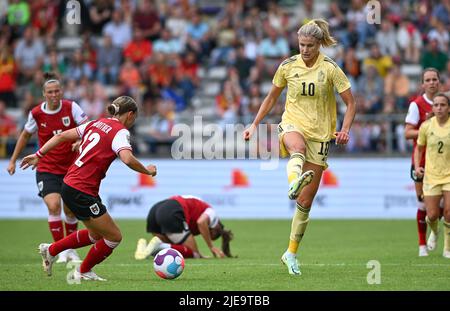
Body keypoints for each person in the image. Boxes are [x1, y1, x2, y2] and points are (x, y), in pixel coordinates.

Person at [243, 19, 356, 275]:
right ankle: (294, 181)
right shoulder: (287, 66)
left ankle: (291, 253)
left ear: (319, 45)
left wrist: (345, 130)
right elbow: (272, 97)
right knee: (297, 147)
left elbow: (351, 103)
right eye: (301, 44)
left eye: (309, 45)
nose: (304, 49)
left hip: (321, 134)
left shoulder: (330, 69)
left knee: (306, 202)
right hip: (292, 123)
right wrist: (254, 124)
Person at [20, 96, 157, 281]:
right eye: (135, 117)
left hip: (70, 184)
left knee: (95, 234)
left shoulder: (96, 122)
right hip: (81, 189)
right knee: (114, 237)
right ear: (130, 114)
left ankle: (51, 250)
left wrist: (39, 154)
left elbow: (61, 136)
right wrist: (147, 171)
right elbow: (127, 158)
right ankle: (83, 271)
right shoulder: (120, 132)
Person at [7, 72, 88, 263]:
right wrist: (12, 160)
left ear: (61, 92)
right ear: (44, 94)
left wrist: (79, 140)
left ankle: (70, 250)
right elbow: (25, 135)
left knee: (69, 211)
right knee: (53, 206)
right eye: (50, 92)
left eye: (57, 91)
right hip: (47, 168)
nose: (54, 94)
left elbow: (88, 127)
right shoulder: (36, 113)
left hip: (71, 169)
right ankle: (59, 250)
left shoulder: (72, 107)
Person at [404, 68, 441, 257]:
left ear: (439, 82)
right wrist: (428, 130)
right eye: (428, 80)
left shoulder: (445, 104)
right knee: (423, 204)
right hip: (421, 160)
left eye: (435, 79)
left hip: (443, 162)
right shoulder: (417, 105)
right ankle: (421, 245)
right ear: (422, 84)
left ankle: (436, 233)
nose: (432, 82)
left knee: (443, 206)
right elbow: (407, 132)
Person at [134, 195, 234, 260]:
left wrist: (202, 255)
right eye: (211, 233)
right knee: (194, 254)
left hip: (156, 210)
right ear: (216, 228)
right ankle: (159, 245)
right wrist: (211, 247)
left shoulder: (198, 208)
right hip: (172, 210)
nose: (207, 233)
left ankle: (145, 247)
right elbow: (201, 222)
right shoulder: (212, 213)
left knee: (171, 249)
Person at [414, 93, 450, 259]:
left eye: (443, 105)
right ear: (433, 108)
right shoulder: (426, 126)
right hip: (431, 176)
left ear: (448, 108)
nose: (439, 108)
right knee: (432, 215)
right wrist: (417, 166)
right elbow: (419, 148)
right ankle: (435, 232)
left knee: (449, 212)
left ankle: (447, 248)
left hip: (449, 175)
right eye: (436, 105)